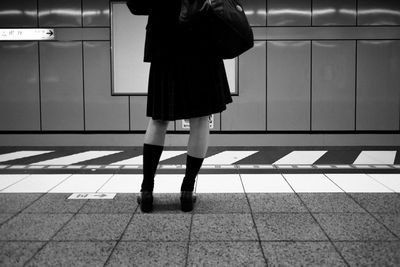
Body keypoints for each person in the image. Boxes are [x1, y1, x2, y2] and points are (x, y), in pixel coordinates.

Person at [128, 0, 233, 212]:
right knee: (201, 118)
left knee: (159, 118)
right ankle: (187, 190)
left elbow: (136, 5)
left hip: (165, 43)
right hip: (202, 44)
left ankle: (146, 189)